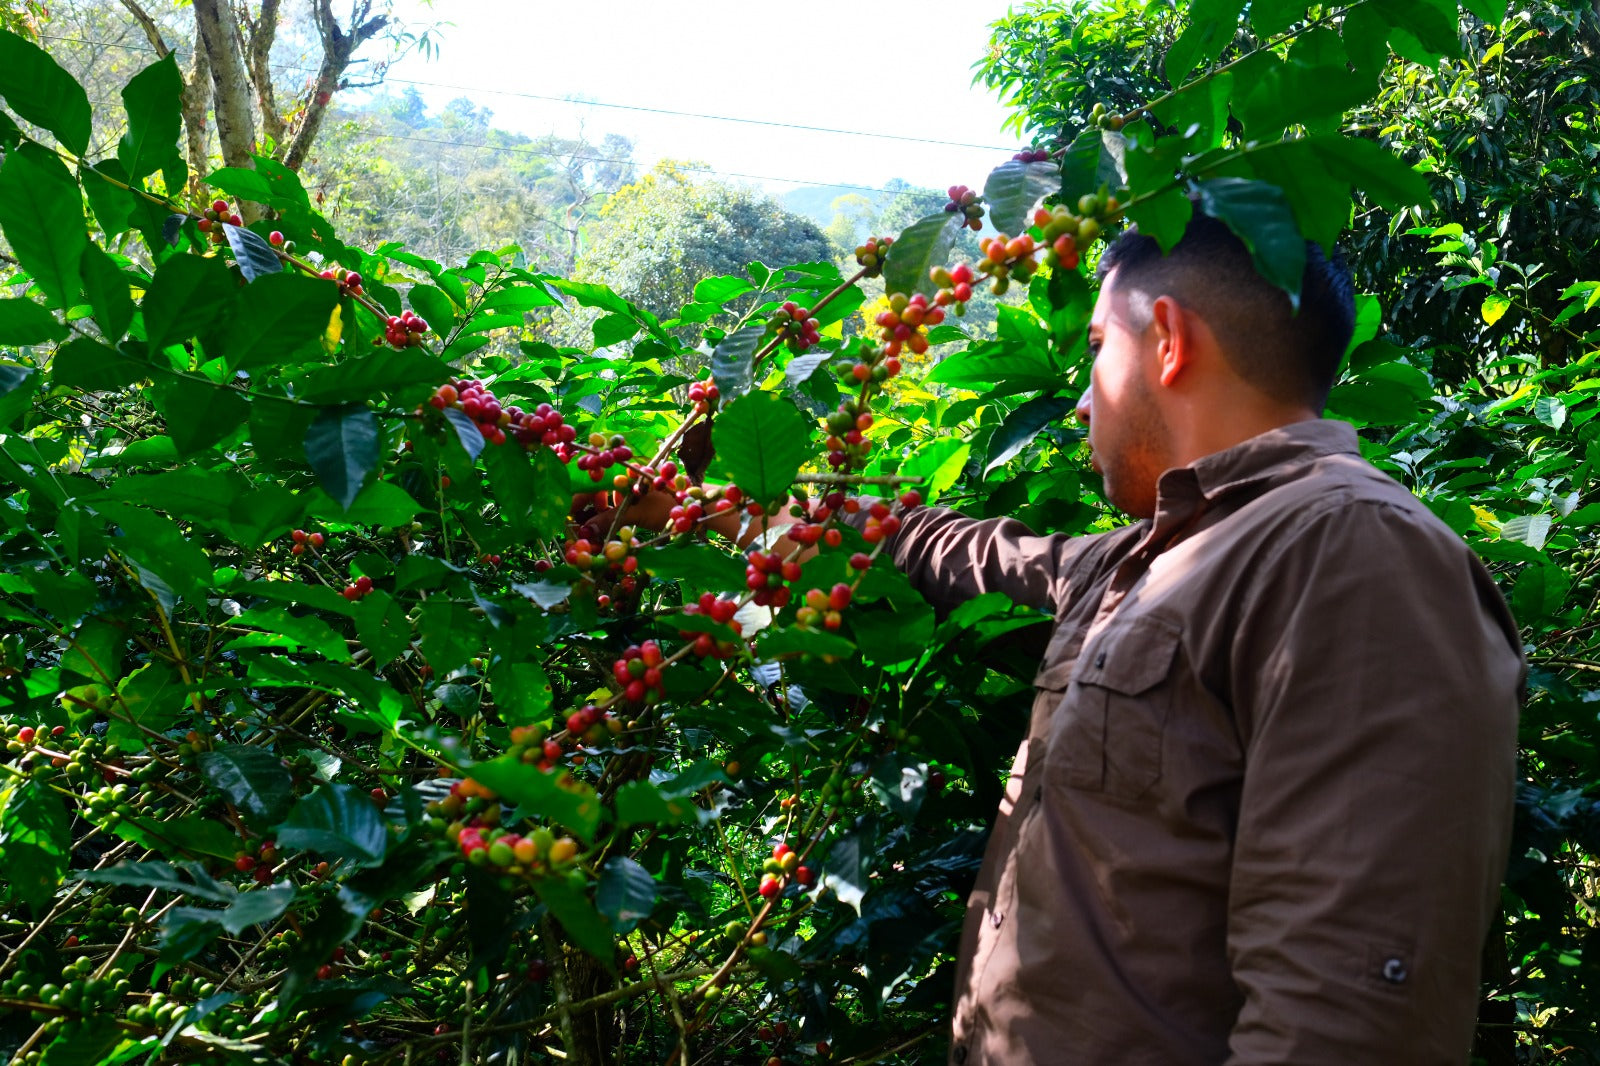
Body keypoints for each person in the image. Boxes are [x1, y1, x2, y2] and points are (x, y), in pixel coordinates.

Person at [622, 207, 1523, 1064]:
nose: (1083, 403)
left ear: (1168, 341)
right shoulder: (1146, 558)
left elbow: (1350, 1014)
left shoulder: (1352, 550)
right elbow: (947, 547)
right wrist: (713, 508)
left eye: (1096, 350)